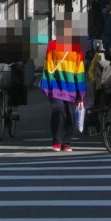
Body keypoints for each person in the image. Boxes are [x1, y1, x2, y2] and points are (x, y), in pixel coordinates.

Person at [39, 19, 87, 151]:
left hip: (72, 87)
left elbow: (80, 71)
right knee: (58, 110)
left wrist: (81, 93)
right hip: (56, 86)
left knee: (70, 114)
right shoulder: (53, 45)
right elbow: (48, 65)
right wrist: (47, 84)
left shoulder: (77, 48)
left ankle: (67, 141)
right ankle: (57, 140)